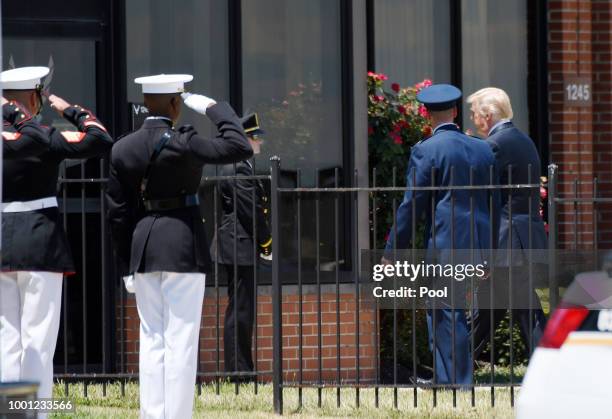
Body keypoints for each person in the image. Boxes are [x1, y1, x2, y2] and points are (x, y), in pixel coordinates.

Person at [106, 74, 252, 418]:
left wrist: (127, 261)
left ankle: (152, 414)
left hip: (143, 247)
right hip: (182, 245)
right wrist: (216, 110)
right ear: (176, 104)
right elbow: (240, 145)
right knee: (180, 340)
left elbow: (118, 213)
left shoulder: (122, 148)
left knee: (152, 339)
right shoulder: (184, 143)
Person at [0, 66, 113, 404]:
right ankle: (31, 412)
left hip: (4, 245)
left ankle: (10, 412)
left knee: (7, 340)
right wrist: (68, 109)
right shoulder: (46, 138)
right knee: (38, 341)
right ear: (34, 98)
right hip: (41, 245)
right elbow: (99, 138)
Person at [383, 84, 499, 386]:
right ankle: (448, 378)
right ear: (456, 112)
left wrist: (394, 251)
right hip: (478, 243)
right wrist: (490, 252)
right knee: (449, 309)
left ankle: (456, 382)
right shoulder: (483, 148)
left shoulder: (426, 150)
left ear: (426, 114)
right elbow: (494, 203)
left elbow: (412, 206)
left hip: (446, 244)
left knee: (446, 311)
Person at [466, 87, 547, 358]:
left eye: (474, 113)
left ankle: (549, 366)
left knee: (523, 309)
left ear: (487, 115)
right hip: (521, 238)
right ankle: (453, 368)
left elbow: (483, 196)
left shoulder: (494, 144)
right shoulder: (524, 140)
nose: (472, 118)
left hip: (506, 241)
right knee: (492, 309)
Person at [212, 112, 272, 382]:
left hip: (239, 244)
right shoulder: (237, 167)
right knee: (240, 311)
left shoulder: (240, 165)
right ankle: (239, 373)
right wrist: (266, 241)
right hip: (240, 245)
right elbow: (250, 210)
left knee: (241, 310)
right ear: (244, 139)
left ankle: (242, 369)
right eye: (255, 137)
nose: (259, 142)